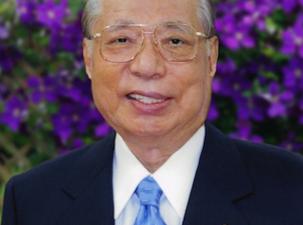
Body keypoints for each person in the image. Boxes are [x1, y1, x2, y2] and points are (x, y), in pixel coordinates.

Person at [2, 0, 303, 224]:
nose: (147, 66)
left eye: (175, 41)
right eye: (121, 40)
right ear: (88, 58)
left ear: (211, 58)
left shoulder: (293, 192)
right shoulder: (31, 201)